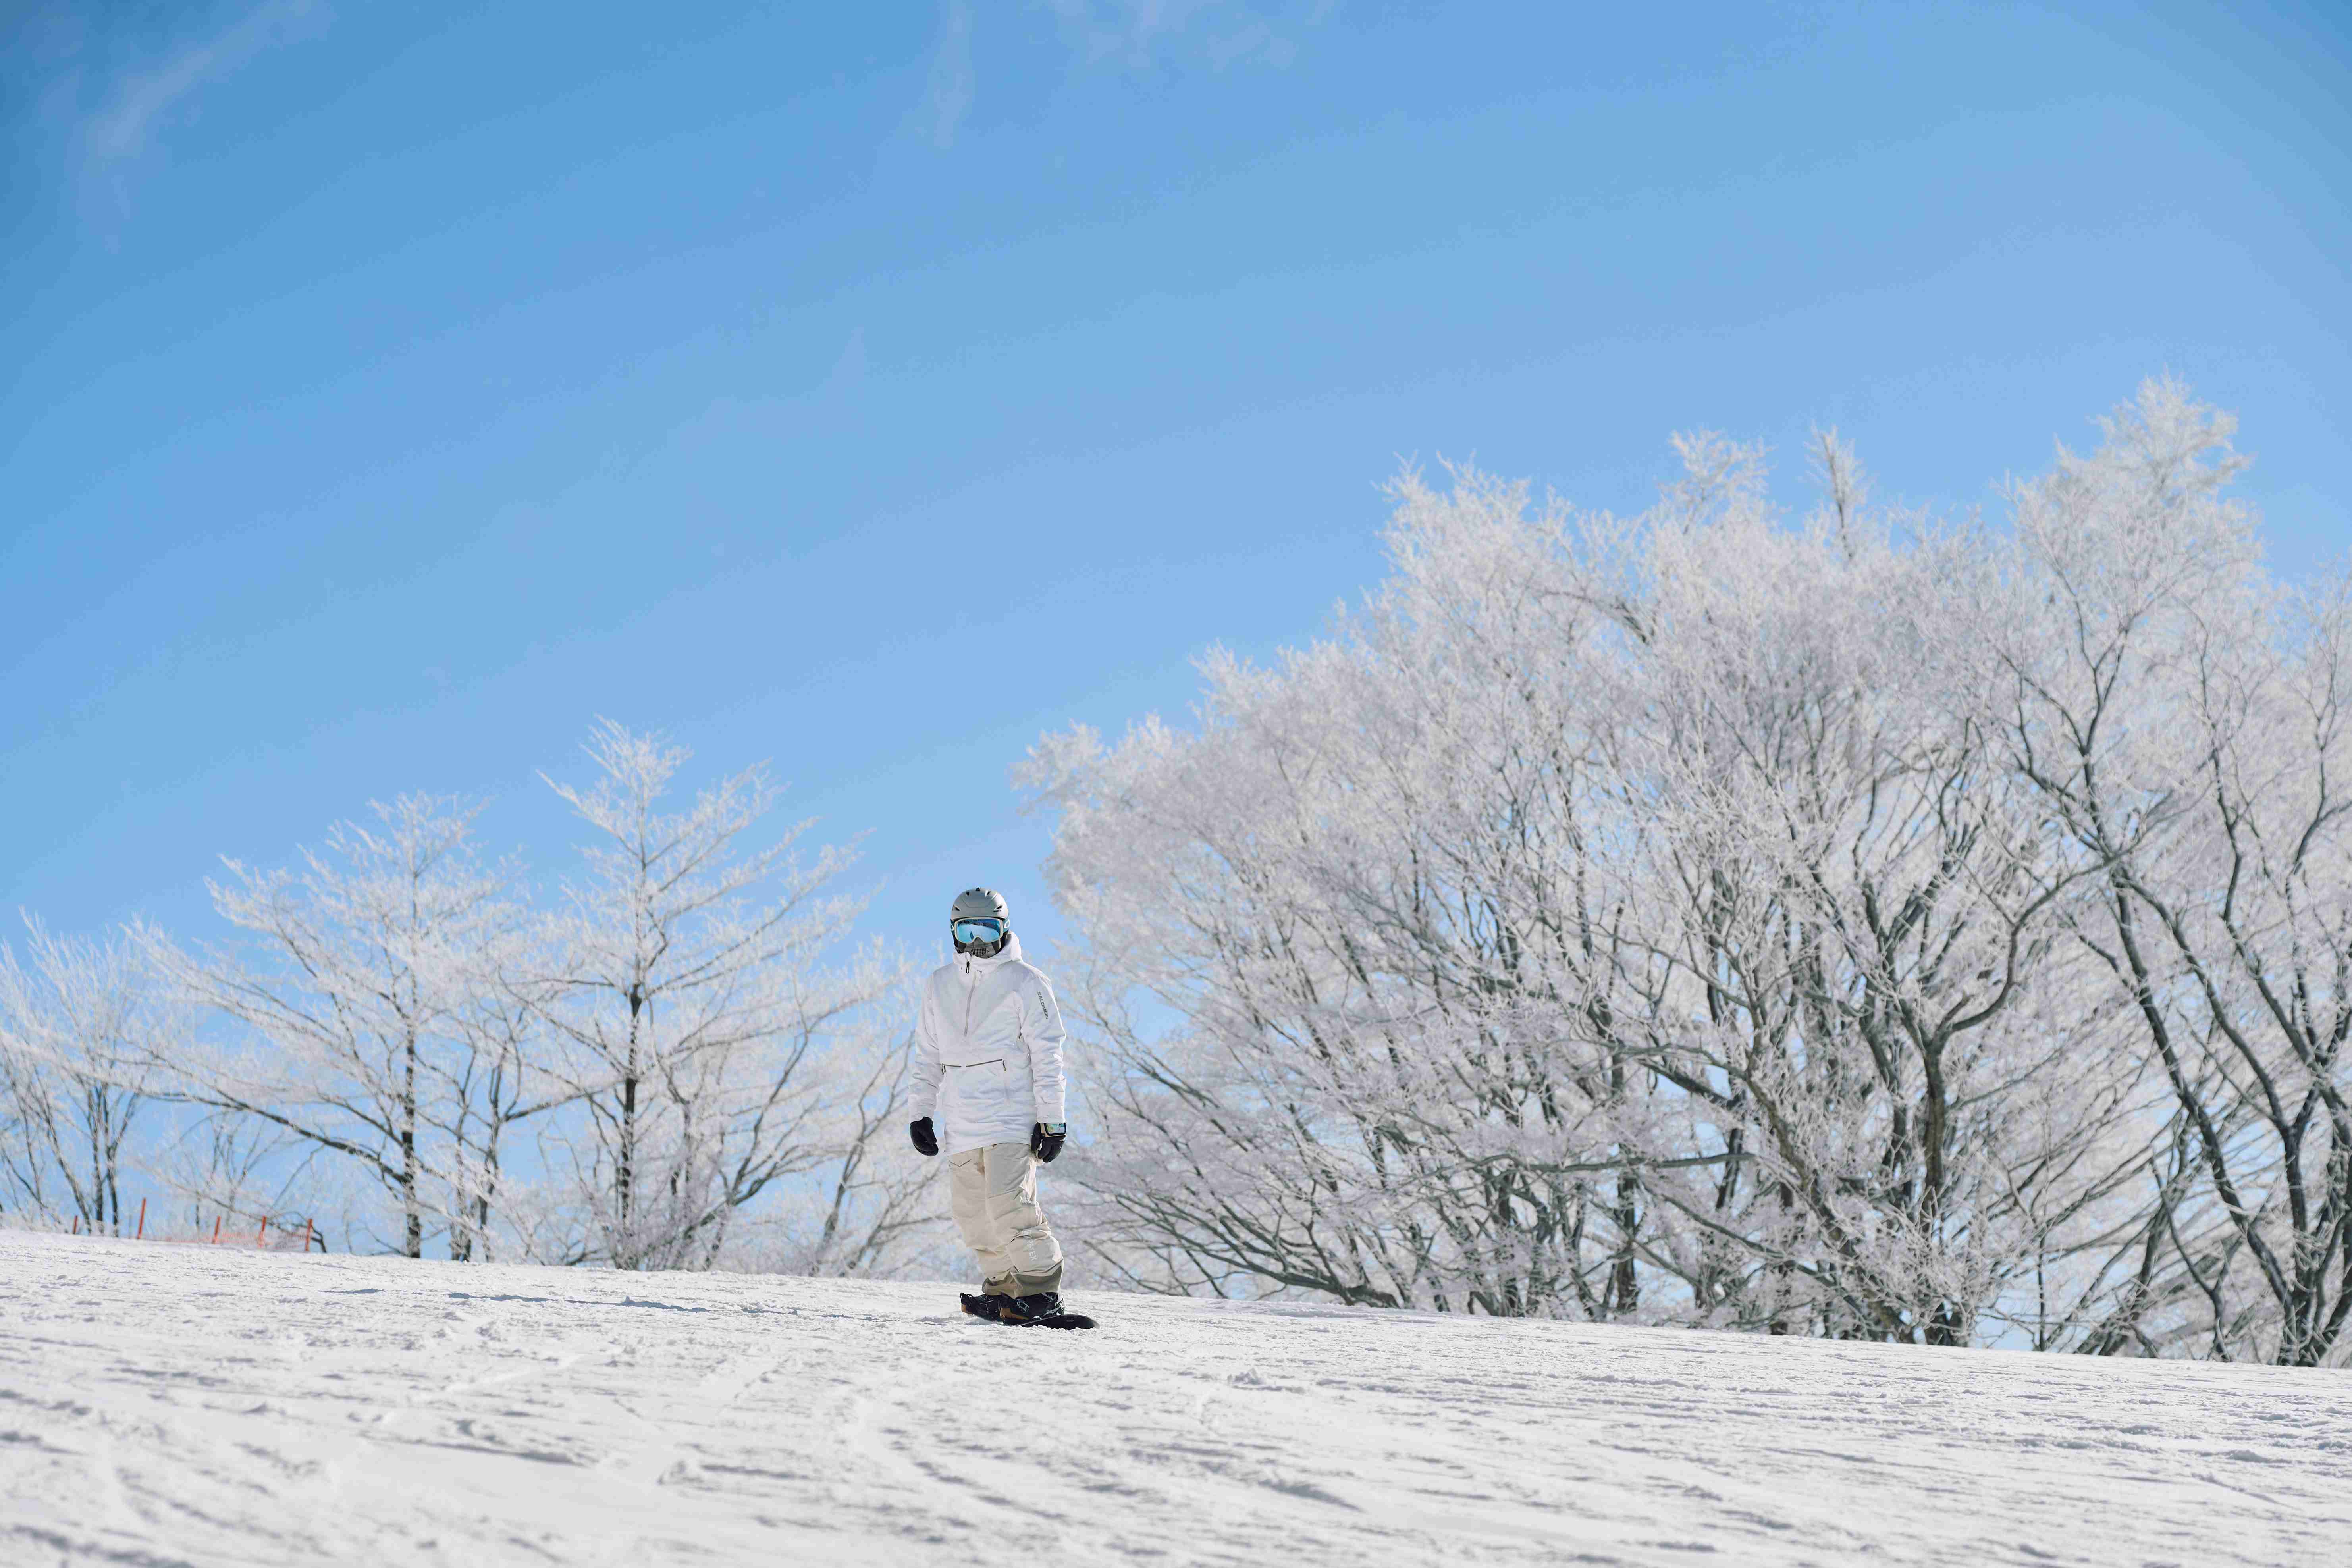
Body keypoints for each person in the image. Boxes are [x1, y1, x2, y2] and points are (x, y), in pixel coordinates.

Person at [907, 887, 1073, 1325]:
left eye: (987, 929)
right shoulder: (938, 984)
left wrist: (1052, 1119)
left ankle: (1039, 1288)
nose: (978, 941)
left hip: (1010, 1117)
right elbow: (926, 1055)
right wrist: (919, 1112)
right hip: (962, 1121)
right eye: (968, 930)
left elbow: (1048, 1052)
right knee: (972, 1213)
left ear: (1004, 930)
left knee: (1008, 1203)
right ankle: (1003, 1287)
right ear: (954, 932)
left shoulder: (1026, 981)